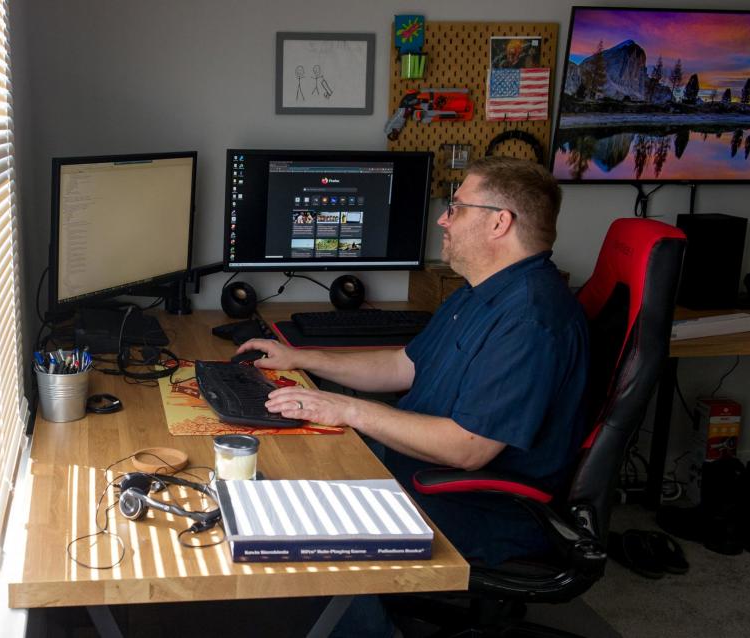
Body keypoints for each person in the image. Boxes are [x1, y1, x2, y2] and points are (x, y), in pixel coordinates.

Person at [236, 157, 589, 635]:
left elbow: (467, 449)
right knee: (284, 472)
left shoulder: (530, 318)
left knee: (303, 533)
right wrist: (302, 358)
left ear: (499, 222)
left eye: (457, 207)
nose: (443, 219)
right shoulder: (479, 292)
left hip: (478, 506)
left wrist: (346, 408)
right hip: (414, 468)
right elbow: (405, 365)